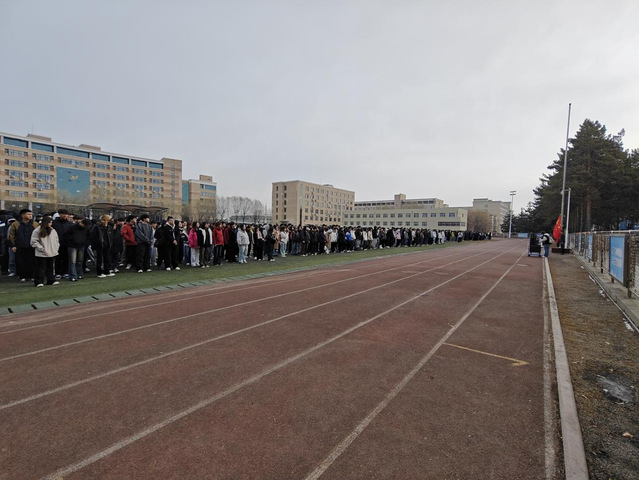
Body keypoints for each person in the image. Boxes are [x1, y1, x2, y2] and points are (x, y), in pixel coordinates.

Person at [9, 209, 38, 283]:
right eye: (28, 214)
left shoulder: (35, 224)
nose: (30, 216)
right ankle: (22, 276)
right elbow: (11, 236)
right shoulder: (15, 224)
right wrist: (13, 245)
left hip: (32, 246)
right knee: (20, 262)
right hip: (20, 246)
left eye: (31, 214)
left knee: (32, 262)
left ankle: (31, 276)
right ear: (23, 215)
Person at [30, 216, 60, 287]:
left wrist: (56, 247)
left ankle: (51, 280)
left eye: (51, 222)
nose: (51, 224)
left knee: (51, 267)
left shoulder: (53, 230)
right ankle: (39, 281)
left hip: (52, 252)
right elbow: (34, 241)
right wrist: (41, 248)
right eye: (49, 222)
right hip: (42, 253)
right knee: (41, 268)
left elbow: (56, 240)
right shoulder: (37, 231)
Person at [64, 217, 91, 281]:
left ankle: (79, 274)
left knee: (79, 261)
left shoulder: (86, 229)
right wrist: (72, 241)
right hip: (72, 246)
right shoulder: (72, 227)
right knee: (72, 261)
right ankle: (73, 276)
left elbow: (88, 236)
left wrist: (85, 243)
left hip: (81, 246)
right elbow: (66, 236)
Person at [52, 208, 73, 279]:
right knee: (58, 259)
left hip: (67, 244)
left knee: (66, 258)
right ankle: (58, 272)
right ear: (59, 214)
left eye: (66, 214)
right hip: (56, 244)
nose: (65, 216)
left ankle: (65, 272)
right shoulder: (54, 223)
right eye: (63, 214)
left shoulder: (70, 224)